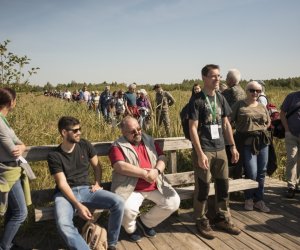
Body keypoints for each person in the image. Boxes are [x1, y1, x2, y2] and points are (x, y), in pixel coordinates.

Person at [47, 116, 124, 250]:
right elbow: (62, 183)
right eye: (75, 130)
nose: (79, 132)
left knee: (118, 202)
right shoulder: (54, 155)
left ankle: (112, 244)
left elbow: (97, 166)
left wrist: (97, 183)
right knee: (63, 223)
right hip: (65, 194)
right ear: (64, 133)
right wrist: (78, 205)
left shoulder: (84, 144)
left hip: (87, 189)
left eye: (80, 129)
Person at [188, 64, 241, 239]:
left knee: (223, 185)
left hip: (221, 149)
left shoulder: (220, 97)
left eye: (219, 76)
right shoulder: (197, 100)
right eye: (213, 76)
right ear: (204, 78)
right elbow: (193, 128)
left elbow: (226, 124)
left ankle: (222, 217)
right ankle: (201, 219)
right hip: (204, 149)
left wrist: (232, 146)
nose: (217, 79)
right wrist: (200, 153)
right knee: (203, 187)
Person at [109, 116, 180, 242]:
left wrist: (157, 171)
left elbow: (162, 157)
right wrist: (144, 174)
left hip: (155, 184)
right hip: (131, 188)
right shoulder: (118, 145)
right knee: (126, 209)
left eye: (139, 128)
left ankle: (145, 223)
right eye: (132, 131)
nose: (137, 133)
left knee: (173, 201)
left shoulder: (149, 140)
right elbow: (119, 166)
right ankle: (131, 229)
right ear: (124, 132)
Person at [0, 87, 36, 250]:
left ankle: (7, 243)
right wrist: (19, 148)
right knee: (21, 213)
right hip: (7, 171)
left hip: (12, 170)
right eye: (15, 100)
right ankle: (4, 246)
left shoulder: (4, 121)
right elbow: (12, 150)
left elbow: (19, 143)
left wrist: (21, 147)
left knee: (13, 210)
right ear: (10, 102)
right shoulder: (0, 123)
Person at [231, 81, 271, 213]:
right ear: (246, 91)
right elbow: (228, 121)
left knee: (262, 171)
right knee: (251, 172)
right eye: (252, 90)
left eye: (258, 91)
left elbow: (268, 121)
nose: (255, 93)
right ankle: (248, 198)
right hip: (246, 144)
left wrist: (263, 129)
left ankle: (259, 200)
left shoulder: (261, 106)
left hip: (262, 142)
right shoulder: (239, 105)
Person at [280, 90, 300, 198]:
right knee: (292, 158)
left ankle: (296, 184)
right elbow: (282, 113)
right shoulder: (292, 96)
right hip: (291, 134)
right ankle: (291, 186)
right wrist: (287, 130)